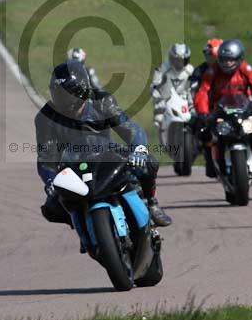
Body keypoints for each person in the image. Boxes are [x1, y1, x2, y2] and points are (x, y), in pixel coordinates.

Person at [35, 60, 172, 227]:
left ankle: (151, 203)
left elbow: (131, 129)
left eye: (68, 94)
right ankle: (82, 225)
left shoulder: (102, 102)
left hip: (108, 157)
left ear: (82, 91)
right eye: (59, 94)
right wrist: (50, 181)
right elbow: (45, 158)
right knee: (51, 208)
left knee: (148, 163)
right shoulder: (45, 117)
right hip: (73, 168)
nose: (63, 100)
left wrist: (139, 150)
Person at [193, 39, 252, 158]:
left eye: (231, 60)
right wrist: (203, 113)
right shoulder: (212, 71)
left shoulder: (246, 69)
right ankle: (209, 157)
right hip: (219, 109)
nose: (228, 63)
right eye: (224, 60)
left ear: (239, 58)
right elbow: (202, 92)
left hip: (244, 107)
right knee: (203, 130)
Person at [189, 38, 222, 177]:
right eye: (208, 56)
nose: (210, 59)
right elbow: (193, 86)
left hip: (226, 106)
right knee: (199, 127)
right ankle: (205, 154)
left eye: (213, 57)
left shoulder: (229, 70)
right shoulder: (201, 70)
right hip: (206, 107)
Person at [151, 43, 194, 146]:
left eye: (182, 60)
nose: (179, 62)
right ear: (171, 58)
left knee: (195, 116)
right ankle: (164, 141)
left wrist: (192, 99)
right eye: (176, 59)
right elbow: (154, 86)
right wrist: (159, 98)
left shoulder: (190, 70)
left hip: (184, 98)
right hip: (167, 98)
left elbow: (195, 86)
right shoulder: (163, 68)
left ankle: (194, 142)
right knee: (159, 119)